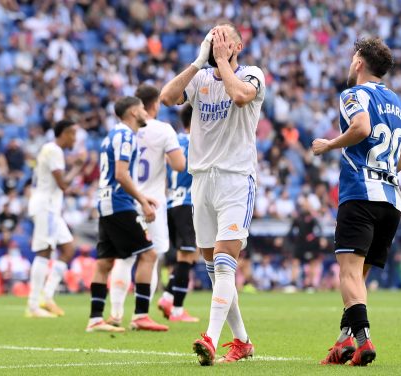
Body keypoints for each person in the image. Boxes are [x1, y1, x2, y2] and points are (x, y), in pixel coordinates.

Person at [160, 23, 266, 365]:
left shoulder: (252, 75)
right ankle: (243, 341)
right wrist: (198, 60)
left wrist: (221, 61)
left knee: (223, 262)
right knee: (214, 266)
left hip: (236, 178)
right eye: (211, 36)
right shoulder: (201, 78)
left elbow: (238, 96)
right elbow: (166, 97)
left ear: (238, 45)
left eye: (223, 37)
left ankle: (210, 337)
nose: (216, 41)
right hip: (202, 180)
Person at [312, 37, 401, 366]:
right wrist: (383, 171)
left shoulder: (353, 94)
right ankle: (343, 343)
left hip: (360, 195)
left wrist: (328, 145)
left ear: (359, 63)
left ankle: (363, 340)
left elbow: (361, 127)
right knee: (358, 278)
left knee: (348, 274)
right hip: (391, 200)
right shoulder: (400, 104)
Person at [85, 96, 168, 333]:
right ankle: (141, 315)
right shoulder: (125, 136)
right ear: (133, 112)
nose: (146, 112)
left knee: (105, 262)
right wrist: (142, 201)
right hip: (118, 204)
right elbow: (121, 174)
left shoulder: (112, 135)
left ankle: (95, 319)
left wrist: (139, 196)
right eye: (142, 108)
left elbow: (116, 176)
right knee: (149, 254)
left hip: (107, 202)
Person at [108, 84, 186, 326]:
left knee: (125, 258)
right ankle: (141, 314)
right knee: (151, 257)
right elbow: (179, 165)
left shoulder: (120, 130)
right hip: (153, 200)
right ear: (154, 105)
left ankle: (116, 312)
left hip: (126, 200)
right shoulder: (164, 130)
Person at [25, 119, 82, 318]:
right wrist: (78, 167)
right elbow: (63, 184)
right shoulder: (54, 150)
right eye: (72, 134)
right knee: (44, 251)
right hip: (46, 207)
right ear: (64, 133)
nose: (75, 138)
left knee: (68, 249)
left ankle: (47, 296)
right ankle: (33, 305)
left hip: (50, 207)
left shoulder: (50, 150)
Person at [157, 105, 200, 322]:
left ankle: (167, 297)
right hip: (188, 202)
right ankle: (176, 309)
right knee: (187, 255)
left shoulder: (174, 142)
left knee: (189, 255)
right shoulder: (198, 142)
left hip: (172, 202)